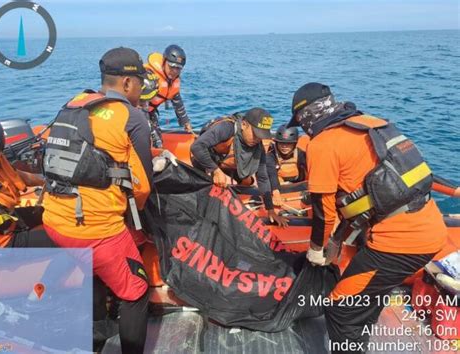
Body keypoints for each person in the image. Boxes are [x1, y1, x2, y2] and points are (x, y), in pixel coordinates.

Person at [287, 82, 447, 352]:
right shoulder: (372, 124)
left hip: (399, 244)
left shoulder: (323, 144)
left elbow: (324, 212)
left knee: (341, 308)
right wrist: (337, 241)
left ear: (306, 117)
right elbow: (369, 190)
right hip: (431, 228)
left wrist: (316, 250)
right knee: (367, 297)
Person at [41, 47, 154, 354]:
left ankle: (94, 338)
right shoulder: (132, 117)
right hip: (95, 231)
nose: (142, 89)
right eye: (141, 82)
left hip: (53, 219)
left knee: (93, 272)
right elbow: (143, 185)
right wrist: (138, 215)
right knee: (136, 291)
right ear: (129, 83)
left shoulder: (74, 103)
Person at [190, 108, 288, 227]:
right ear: (244, 124)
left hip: (230, 163)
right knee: (209, 194)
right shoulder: (226, 128)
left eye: (261, 136)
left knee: (248, 181)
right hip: (206, 161)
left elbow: (262, 177)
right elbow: (197, 147)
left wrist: (270, 210)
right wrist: (215, 170)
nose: (257, 139)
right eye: (255, 134)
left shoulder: (258, 145)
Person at [0, 114, 53, 248]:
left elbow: (16, 175)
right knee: (63, 238)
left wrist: (46, 181)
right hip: (1, 244)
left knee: (56, 213)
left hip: (11, 219)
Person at [144, 44, 193, 147]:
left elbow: (178, 102)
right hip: (137, 112)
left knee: (158, 143)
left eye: (178, 68)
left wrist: (185, 122)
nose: (174, 71)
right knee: (149, 140)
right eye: (172, 66)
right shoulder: (148, 78)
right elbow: (139, 106)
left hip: (150, 112)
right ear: (164, 62)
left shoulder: (172, 82)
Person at [266, 124, 308, 206]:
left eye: (288, 143)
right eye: (281, 143)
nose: (284, 146)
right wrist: (275, 192)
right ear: (276, 143)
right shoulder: (270, 156)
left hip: (299, 186)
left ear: (294, 144)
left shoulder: (301, 154)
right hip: (278, 187)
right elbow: (272, 174)